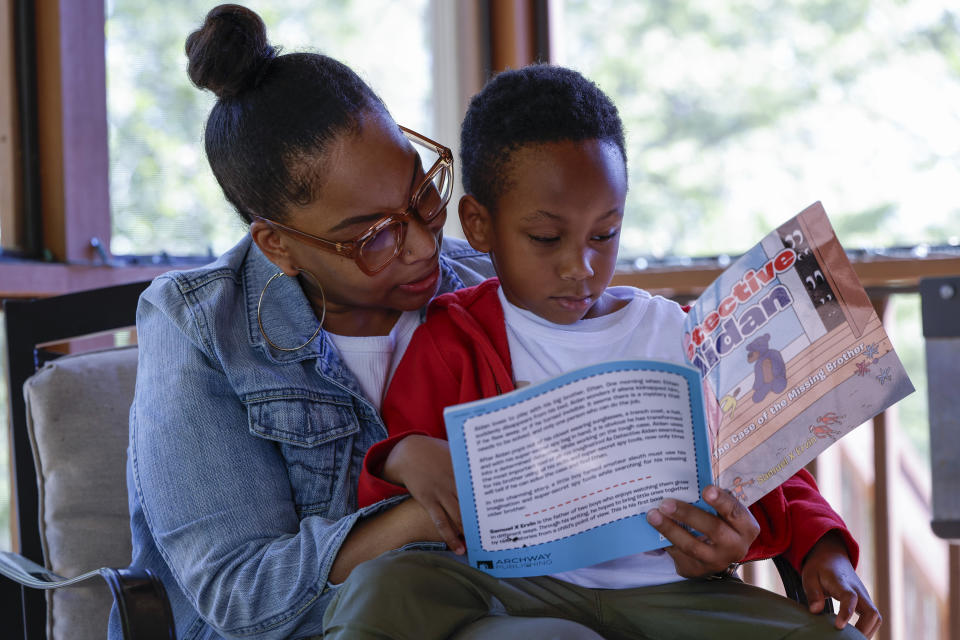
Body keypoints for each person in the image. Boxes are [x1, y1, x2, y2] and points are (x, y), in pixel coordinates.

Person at [330, 64, 882, 639]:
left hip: (676, 590)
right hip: (516, 593)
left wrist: (822, 551)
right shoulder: (454, 339)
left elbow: (772, 467)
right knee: (382, 588)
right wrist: (401, 456)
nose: (580, 267)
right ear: (479, 225)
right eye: (546, 239)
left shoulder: (679, 332)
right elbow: (387, 509)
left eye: (604, 234)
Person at [107, 5, 500, 639]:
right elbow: (241, 595)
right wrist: (431, 514)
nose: (425, 247)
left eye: (422, 196)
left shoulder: (485, 286)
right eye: (372, 237)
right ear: (278, 246)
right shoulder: (202, 329)